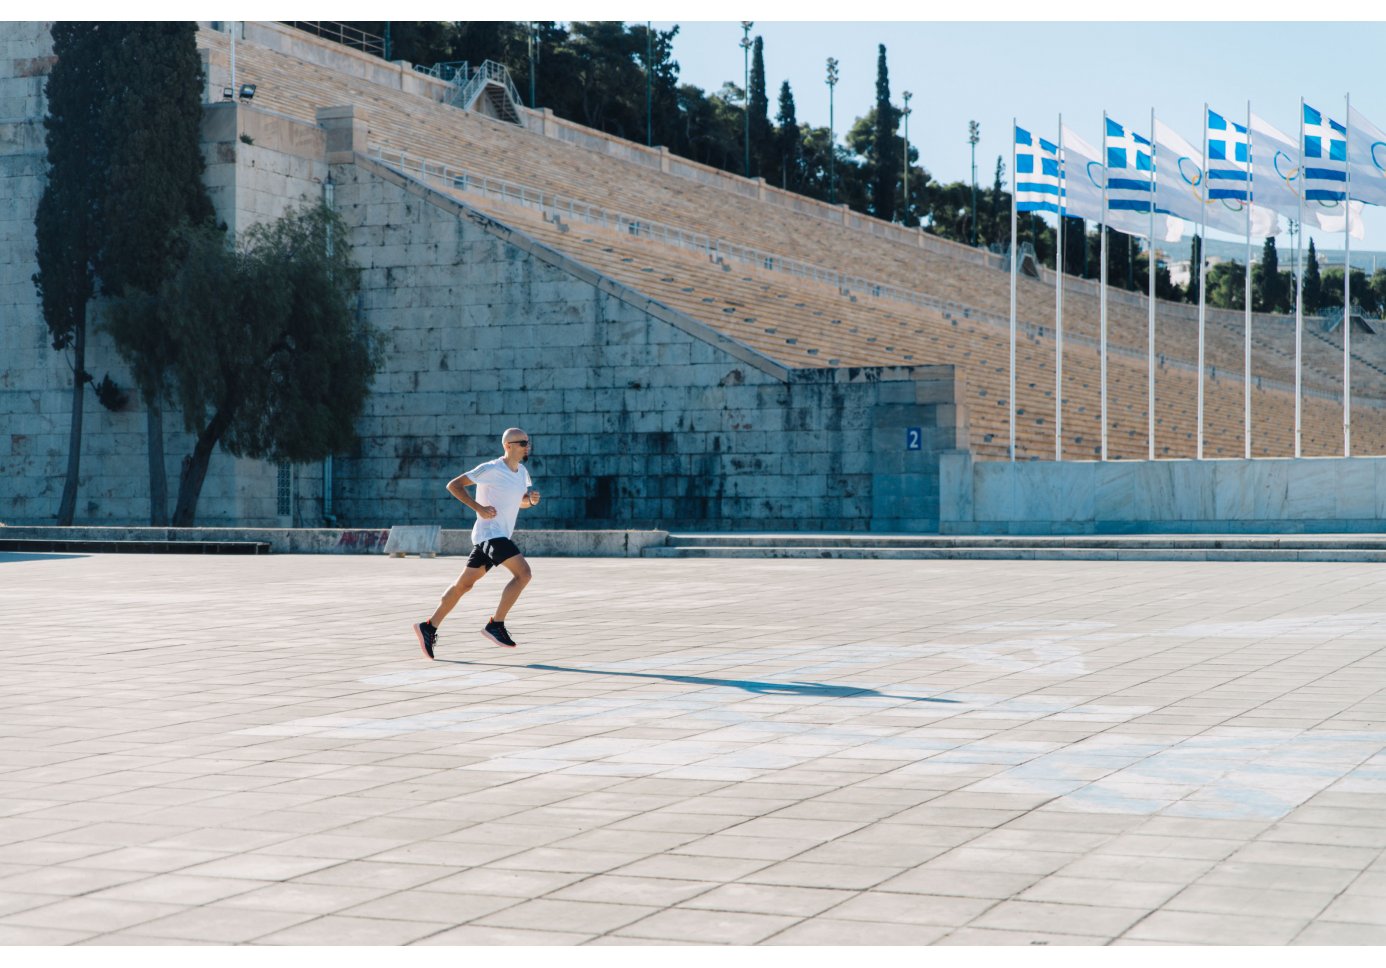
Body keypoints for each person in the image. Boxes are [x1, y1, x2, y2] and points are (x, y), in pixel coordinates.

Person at [414, 428, 540, 658]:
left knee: (464, 585)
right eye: (522, 442)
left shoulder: (522, 472)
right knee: (524, 574)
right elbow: (454, 485)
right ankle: (496, 624)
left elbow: (517, 501)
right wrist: (479, 509)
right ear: (508, 446)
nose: (526, 446)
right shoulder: (491, 469)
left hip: (498, 535)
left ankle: (428, 627)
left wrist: (529, 501)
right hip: (490, 534)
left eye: (528, 442)